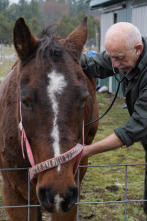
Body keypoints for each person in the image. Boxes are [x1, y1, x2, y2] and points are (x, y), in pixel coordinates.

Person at [81, 22, 147, 215]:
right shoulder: (122, 56)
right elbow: (90, 63)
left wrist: (88, 151)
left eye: (119, 58)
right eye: (111, 57)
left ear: (138, 49)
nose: (115, 65)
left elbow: (136, 127)